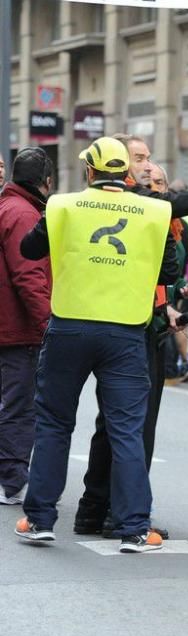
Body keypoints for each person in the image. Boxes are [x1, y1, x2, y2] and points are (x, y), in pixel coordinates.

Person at [16, 137, 176, 553]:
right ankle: (135, 528)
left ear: (89, 170)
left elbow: (29, 249)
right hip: (125, 332)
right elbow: (170, 269)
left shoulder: (63, 205)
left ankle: (39, 520)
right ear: (125, 173)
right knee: (126, 430)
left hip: (69, 326)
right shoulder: (157, 211)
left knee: (54, 423)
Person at [73, 161, 188, 539]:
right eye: (147, 181)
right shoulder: (145, 220)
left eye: (160, 183)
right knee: (123, 428)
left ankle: (103, 510)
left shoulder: (174, 226)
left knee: (127, 428)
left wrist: (173, 299)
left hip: (148, 328)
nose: (154, 188)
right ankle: (115, 514)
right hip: (125, 331)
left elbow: (165, 278)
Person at [0, 148, 54, 505]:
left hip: (11, 324)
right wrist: (47, 324)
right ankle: (13, 481)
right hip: (19, 328)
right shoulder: (22, 213)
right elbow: (28, 274)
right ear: (45, 182)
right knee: (21, 407)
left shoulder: (9, 206)